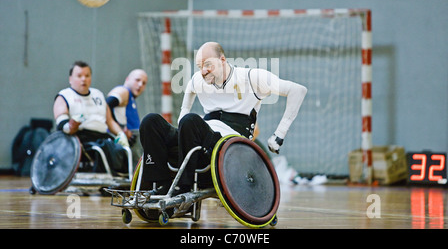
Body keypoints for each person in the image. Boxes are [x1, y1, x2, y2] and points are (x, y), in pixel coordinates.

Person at [139, 42, 307, 195]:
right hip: (197, 141)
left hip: (228, 147)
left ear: (222, 59)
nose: (203, 71)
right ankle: (160, 184)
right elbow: (185, 106)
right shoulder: (198, 79)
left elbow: (297, 90)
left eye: (207, 65)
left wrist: (279, 134)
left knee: (190, 121)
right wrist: (182, 126)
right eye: (199, 66)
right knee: (150, 121)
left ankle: (184, 188)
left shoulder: (251, 77)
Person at [53, 60, 129, 173]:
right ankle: (106, 179)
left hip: (102, 137)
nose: (83, 79)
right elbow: (62, 125)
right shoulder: (64, 96)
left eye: (87, 75)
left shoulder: (98, 95)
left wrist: (121, 134)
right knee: (103, 149)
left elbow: (110, 121)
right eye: (79, 76)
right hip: (80, 138)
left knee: (121, 149)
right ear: (70, 79)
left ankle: (123, 179)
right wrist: (72, 126)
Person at [106, 69, 148, 166]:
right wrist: (119, 130)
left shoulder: (131, 98)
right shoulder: (123, 91)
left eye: (144, 83)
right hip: (124, 146)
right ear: (127, 79)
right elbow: (106, 105)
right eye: (137, 80)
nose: (140, 84)